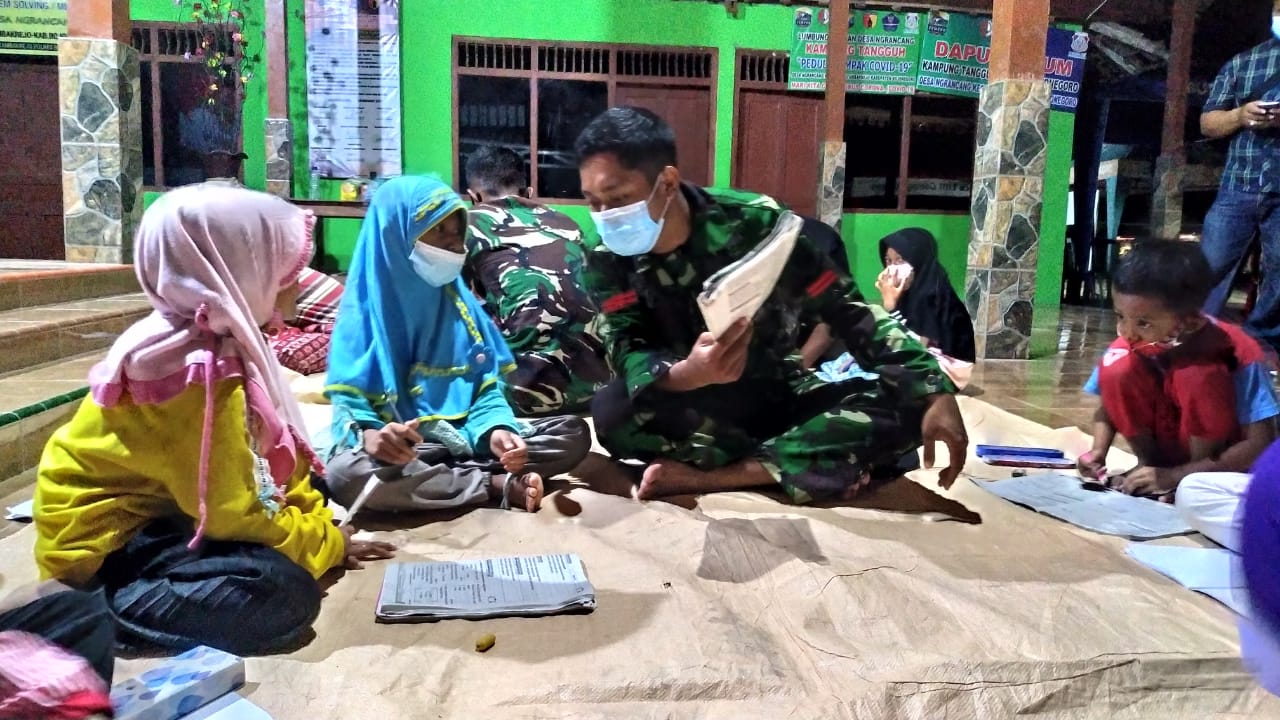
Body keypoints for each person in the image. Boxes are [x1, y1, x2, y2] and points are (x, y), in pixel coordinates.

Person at [32, 184, 396, 655]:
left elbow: (267, 462)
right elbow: (233, 515)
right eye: (283, 267)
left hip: (170, 513)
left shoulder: (218, 340)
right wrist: (329, 543)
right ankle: (93, 611)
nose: (299, 282)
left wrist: (318, 525)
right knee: (282, 592)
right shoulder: (192, 372)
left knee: (315, 494)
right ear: (233, 270)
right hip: (111, 547)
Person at [576, 107, 968, 503]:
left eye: (619, 199)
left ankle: (718, 476)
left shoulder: (759, 225)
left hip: (778, 394)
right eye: (593, 202)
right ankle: (808, 461)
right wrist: (687, 375)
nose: (607, 217)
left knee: (912, 406)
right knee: (611, 412)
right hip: (689, 406)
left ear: (667, 182)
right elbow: (626, 342)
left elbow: (846, 309)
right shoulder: (603, 252)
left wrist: (934, 388)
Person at [323, 176, 592, 514]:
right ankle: (492, 484)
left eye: (457, 232)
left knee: (572, 432)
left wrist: (497, 431)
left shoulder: (458, 305)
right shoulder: (362, 315)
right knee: (346, 474)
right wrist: (373, 436)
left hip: (466, 435)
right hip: (408, 449)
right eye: (439, 231)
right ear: (396, 234)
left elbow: (484, 388)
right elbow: (350, 405)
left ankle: (452, 478)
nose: (453, 244)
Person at [1077, 240, 1278, 547]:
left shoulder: (1238, 352)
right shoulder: (1131, 344)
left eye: (1143, 323)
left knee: (1196, 373)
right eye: (1120, 317)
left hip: (1216, 469)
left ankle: (1182, 480)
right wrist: (1097, 452)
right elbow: (1109, 407)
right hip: (1164, 455)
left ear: (1191, 322)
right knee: (1116, 367)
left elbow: (1260, 442)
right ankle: (1148, 466)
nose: (1127, 332)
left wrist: (1179, 476)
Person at [463, 145, 612, 415]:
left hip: (524, 396)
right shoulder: (566, 223)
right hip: (597, 388)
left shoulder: (468, 224)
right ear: (528, 193)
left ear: (474, 197)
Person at [1200, 2, 1280, 351]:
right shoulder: (1243, 62)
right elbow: (1208, 122)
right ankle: (1193, 335)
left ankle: (1263, 343)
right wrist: (1240, 116)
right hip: (1239, 183)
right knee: (1211, 263)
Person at [817, 228, 976, 386]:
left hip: (948, 369)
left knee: (881, 373)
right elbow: (887, 336)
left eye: (900, 261)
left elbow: (914, 348)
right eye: (888, 261)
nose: (892, 268)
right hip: (919, 355)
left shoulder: (932, 293)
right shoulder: (907, 292)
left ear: (918, 260)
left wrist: (890, 306)